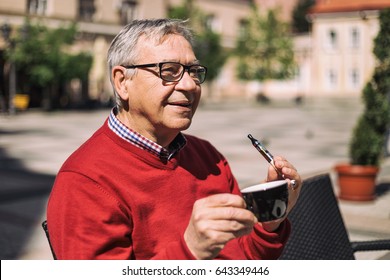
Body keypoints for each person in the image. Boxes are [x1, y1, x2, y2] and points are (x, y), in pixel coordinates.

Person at [47, 18, 302, 260]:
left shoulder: (208, 157)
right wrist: (191, 249)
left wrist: (270, 221)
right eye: (169, 71)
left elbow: (244, 257)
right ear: (122, 82)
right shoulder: (85, 182)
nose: (190, 85)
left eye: (193, 71)